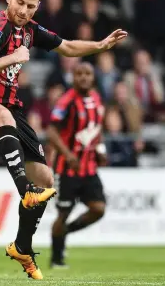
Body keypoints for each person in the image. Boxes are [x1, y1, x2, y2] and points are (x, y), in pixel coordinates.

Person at [0, 0, 127, 279]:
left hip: (11, 107)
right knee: (3, 119)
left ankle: (22, 247)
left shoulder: (30, 30)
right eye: (20, 2)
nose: (24, 11)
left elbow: (68, 47)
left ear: (37, 8)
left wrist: (101, 45)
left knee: (47, 179)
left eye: (31, 6)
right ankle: (25, 190)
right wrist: (13, 56)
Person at [47, 62, 107, 268]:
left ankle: (66, 232)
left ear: (93, 77)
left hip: (89, 168)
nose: (83, 77)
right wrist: (68, 154)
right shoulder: (66, 101)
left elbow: (96, 129)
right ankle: (56, 259)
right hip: (67, 169)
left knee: (98, 209)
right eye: (79, 73)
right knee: (63, 213)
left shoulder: (97, 99)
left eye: (87, 73)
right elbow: (51, 131)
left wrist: (100, 150)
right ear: (73, 77)